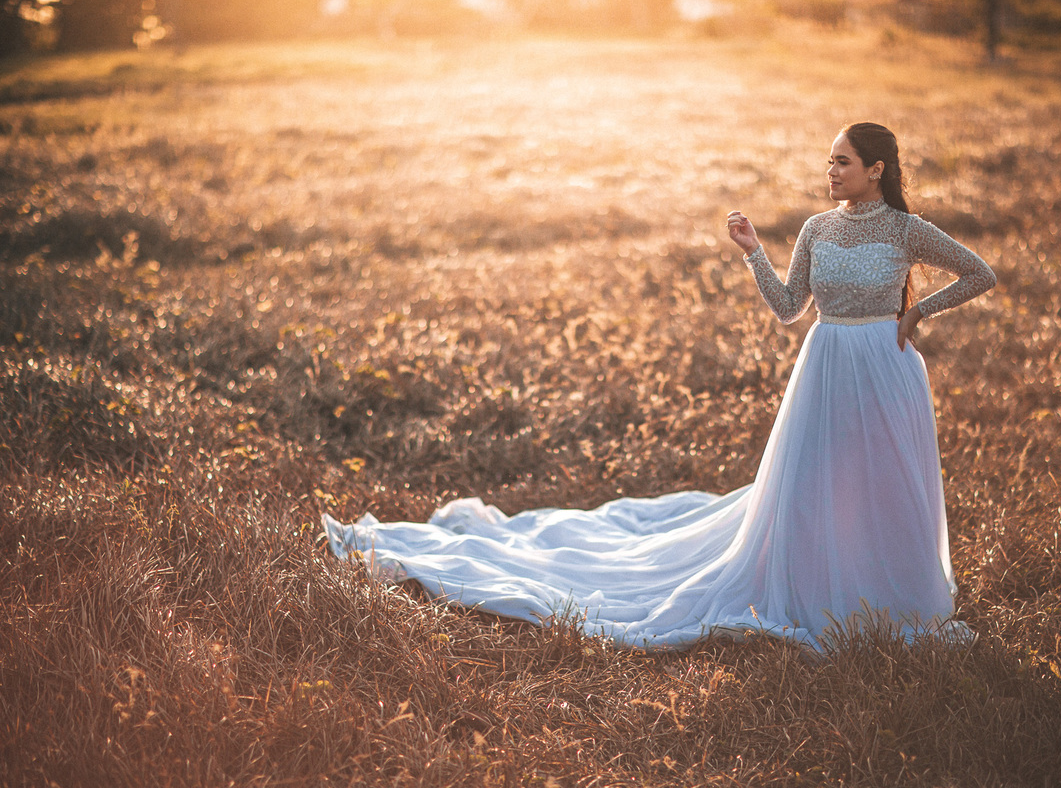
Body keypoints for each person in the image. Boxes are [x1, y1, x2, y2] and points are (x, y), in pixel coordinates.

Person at [324, 122, 996, 651]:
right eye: (829, 161)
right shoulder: (818, 229)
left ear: (875, 169)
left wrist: (917, 312)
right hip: (826, 366)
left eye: (841, 162)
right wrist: (753, 252)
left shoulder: (907, 229)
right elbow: (791, 307)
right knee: (816, 484)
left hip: (887, 365)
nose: (830, 172)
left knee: (885, 482)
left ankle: (894, 588)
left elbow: (978, 273)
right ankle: (828, 587)